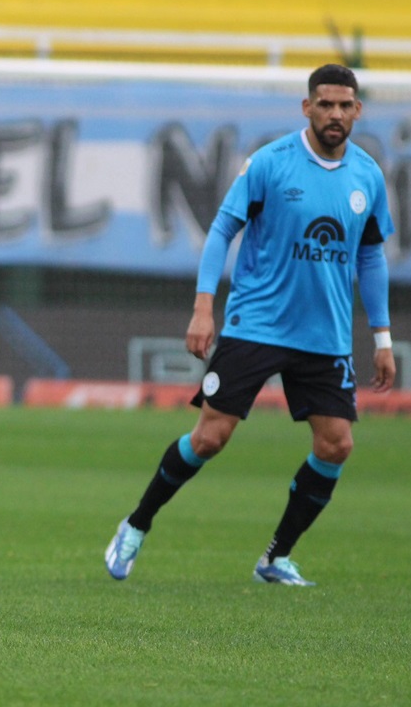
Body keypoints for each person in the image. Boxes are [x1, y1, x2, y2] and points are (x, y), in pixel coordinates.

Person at [105, 64, 395, 586]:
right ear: (306, 108)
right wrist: (202, 306)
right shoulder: (271, 163)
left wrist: (382, 337)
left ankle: (275, 557)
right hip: (256, 323)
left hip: (324, 335)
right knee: (212, 437)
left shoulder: (367, 176)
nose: (334, 114)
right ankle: (136, 524)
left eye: (344, 105)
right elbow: (222, 229)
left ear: (357, 110)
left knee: (336, 445)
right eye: (324, 104)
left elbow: (371, 257)